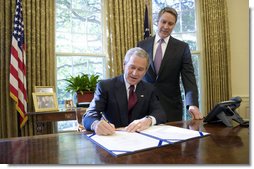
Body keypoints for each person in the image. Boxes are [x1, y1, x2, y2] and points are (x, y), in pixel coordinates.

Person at [137, 7, 203, 122]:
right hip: (144, 106)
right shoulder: (142, 45)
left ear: (174, 25)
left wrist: (192, 104)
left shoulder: (182, 48)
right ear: (157, 21)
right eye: (163, 22)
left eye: (170, 23)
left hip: (171, 108)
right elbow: (136, 75)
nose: (166, 26)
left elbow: (189, 78)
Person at [83, 47, 166, 135]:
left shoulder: (149, 89)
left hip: (140, 139)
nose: (135, 73)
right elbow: (89, 115)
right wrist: (96, 125)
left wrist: (148, 120)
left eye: (140, 69)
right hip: (112, 137)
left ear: (145, 71)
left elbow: (160, 113)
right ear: (124, 65)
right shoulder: (105, 86)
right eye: (132, 67)